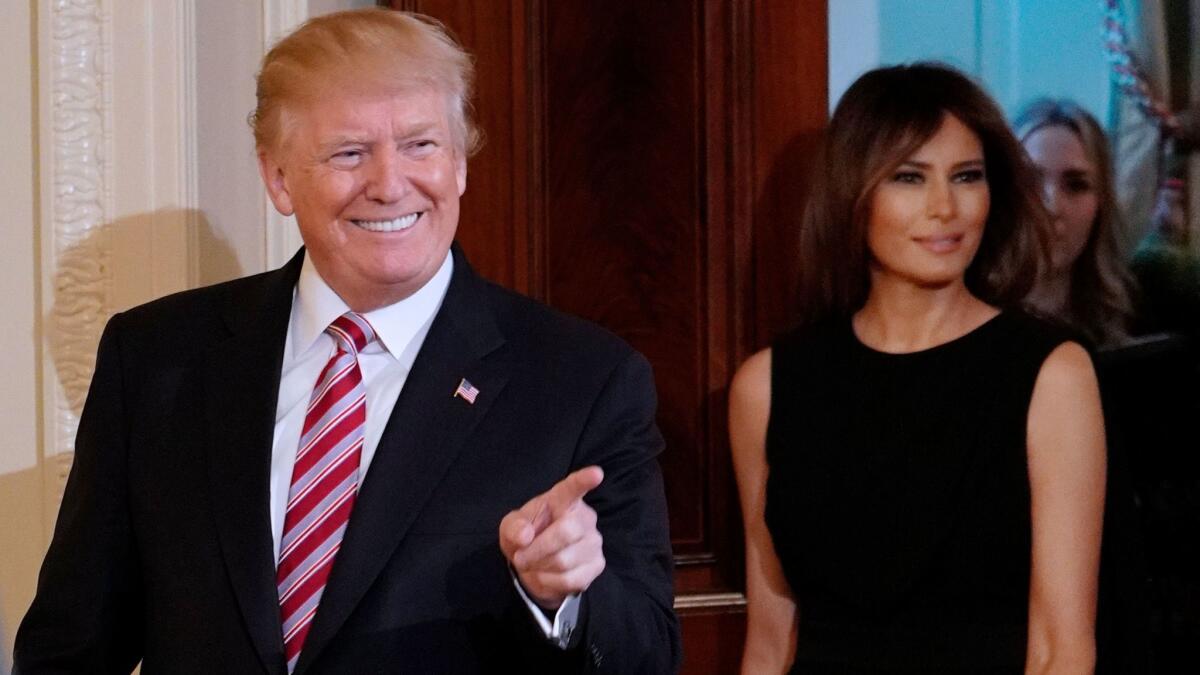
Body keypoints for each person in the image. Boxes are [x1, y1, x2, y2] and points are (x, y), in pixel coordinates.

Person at [13, 9, 679, 674]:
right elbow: (70, 648)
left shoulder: (582, 380)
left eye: (421, 145)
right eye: (349, 153)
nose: (390, 185)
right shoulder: (158, 360)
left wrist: (565, 599)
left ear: (459, 166)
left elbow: (647, 654)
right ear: (278, 177)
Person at [729, 63, 1106, 673]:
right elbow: (771, 643)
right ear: (854, 194)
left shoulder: (1051, 374)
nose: (945, 207)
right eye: (909, 177)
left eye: (967, 177)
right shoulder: (766, 386)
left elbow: (1060, 648)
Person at [1013, 99, 1139, 348]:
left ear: (1101, 203)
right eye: (1031, 182)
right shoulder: (955, 324)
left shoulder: (1134, 324)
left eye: (1076, 185)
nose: (1051, 207)